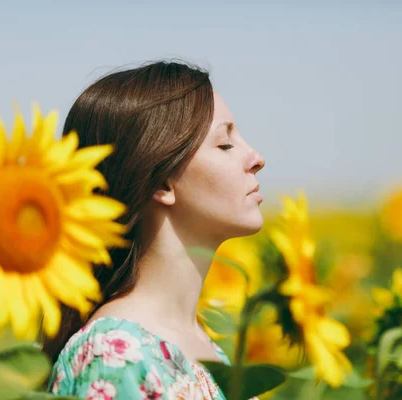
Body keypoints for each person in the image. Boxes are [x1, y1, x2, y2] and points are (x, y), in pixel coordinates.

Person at [43, 60, 266, 399]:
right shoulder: (114, 358)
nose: (256, 157)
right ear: (162, 182)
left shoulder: (205, 347)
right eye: (224, 144)